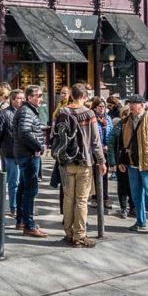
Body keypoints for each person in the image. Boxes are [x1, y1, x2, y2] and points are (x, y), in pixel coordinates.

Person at [61, 83, 106, 248]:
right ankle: (79, 236)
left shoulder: (63, 112)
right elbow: (95, 140)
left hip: (66, 161)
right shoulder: (89, 113)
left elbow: (55, 134)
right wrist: (101, 161)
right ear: (85, 96)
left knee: (68, 199)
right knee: (81, 200)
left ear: (71, 95)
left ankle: (68, 232)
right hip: (84, 160)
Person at [118, 94, 148, 239]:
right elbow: (123, 144)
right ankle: (140, 222)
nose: (132, 106)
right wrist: (121, 161)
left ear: (142, 105)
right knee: (136, 196)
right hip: (132, 164)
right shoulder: (126, 121)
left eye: (135, 103)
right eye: (130, 103)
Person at [13, 85, 47, 238]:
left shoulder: (28, 110)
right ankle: (29, 225)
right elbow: (25, 132)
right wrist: (39, 145)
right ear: (29, 97)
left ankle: (22, 220)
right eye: (38, 95)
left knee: (23, 187)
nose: (41, 98)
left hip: (26, 154)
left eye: (41, 95)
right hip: (28, 155)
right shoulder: (26, 111)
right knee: (30, 190)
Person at [0, 89, 24, 217]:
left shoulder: (26, 112)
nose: (22, 100)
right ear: (13, 99)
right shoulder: (4, 113)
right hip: (11, 153)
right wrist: (2, 146)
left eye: (23, 98)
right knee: (13, 182)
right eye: (19, 98)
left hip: (25, 153)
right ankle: (14, 207)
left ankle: (22, 207)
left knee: (24, 182)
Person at [108, 105, 135, 218]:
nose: (126, 116)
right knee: (123, 186)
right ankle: (123, 207)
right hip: (121, 160)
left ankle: (133, 208)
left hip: (133, 161)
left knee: (133, 186)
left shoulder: (135, 125)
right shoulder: (118, 126)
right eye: (124, 114)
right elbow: (111, 144)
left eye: (128, 113)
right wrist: (113, 163)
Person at [89, 97, 113, 210]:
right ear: (95, 107)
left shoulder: (108, 119)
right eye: (100, 106)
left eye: (104, 107)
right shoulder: (91, 119)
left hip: (106, 151)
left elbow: (111, 134)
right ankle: (95, 197)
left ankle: (105, 197)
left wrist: (107, 145)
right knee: (95, 175)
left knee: (104, 175)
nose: (102, 109)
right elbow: (90, 136)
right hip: (94, 151)